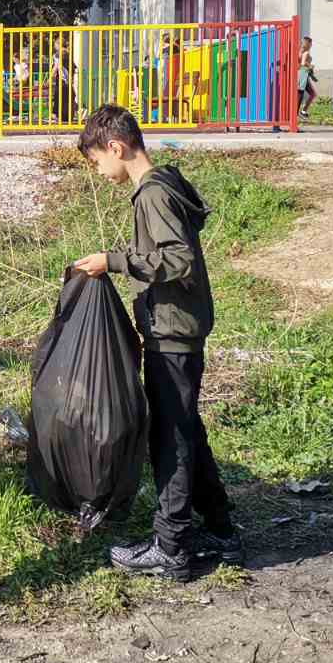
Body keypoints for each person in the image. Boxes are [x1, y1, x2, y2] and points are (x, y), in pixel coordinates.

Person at [71, 104, 241, 580]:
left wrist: (116, 261)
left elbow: (179, 260)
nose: (100, 172)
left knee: (172, 440)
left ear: (115, 147)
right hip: (176, 326)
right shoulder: (164, 185)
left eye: (97, 161)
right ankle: (222, 531)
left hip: (173, 331)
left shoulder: (153, 195)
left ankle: (172, 548)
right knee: (187, 431)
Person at [297, 36, 318, 118]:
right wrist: (311, 66)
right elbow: (303, 64)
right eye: (310, 44)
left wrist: (312, 75)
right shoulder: (305, 53)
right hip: (301, 77)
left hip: (303, 76)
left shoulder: (302, 52)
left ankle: (302, 111)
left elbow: (303, 65)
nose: (310, 46)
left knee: (303, 95)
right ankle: (302, 111)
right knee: (308, 94)